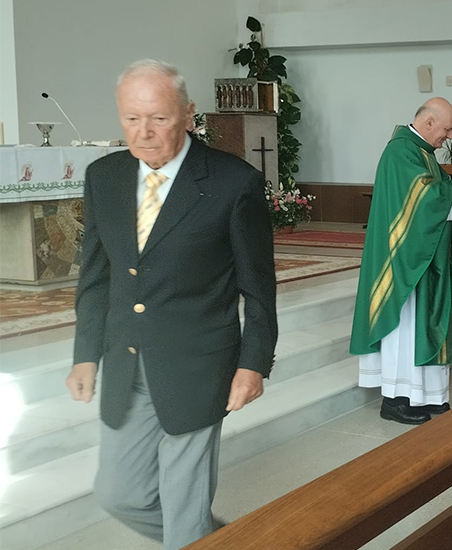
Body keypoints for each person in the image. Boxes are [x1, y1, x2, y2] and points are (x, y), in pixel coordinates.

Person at [65, 59, 278, 550]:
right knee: (119, 494)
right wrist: (85, 353)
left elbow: (258, 288)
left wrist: (253, 363)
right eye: (131, 119)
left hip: (198, 363)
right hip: (126, 362)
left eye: (158, 118)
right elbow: (96, 276)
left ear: (187, 113)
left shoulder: (232, 182)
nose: (144, 133)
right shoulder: (104, 177)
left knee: (184, 510)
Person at [350, 98, 452, 425]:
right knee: (406, 326)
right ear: (428, 124)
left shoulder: (421, 152)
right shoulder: (401, 152)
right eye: (447, 129)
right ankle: (397, 398)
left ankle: (427, 395)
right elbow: (420, 199)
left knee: (423, 324)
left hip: (424, 259)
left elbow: (433, 193)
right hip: (403, 264)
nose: (450, 136)